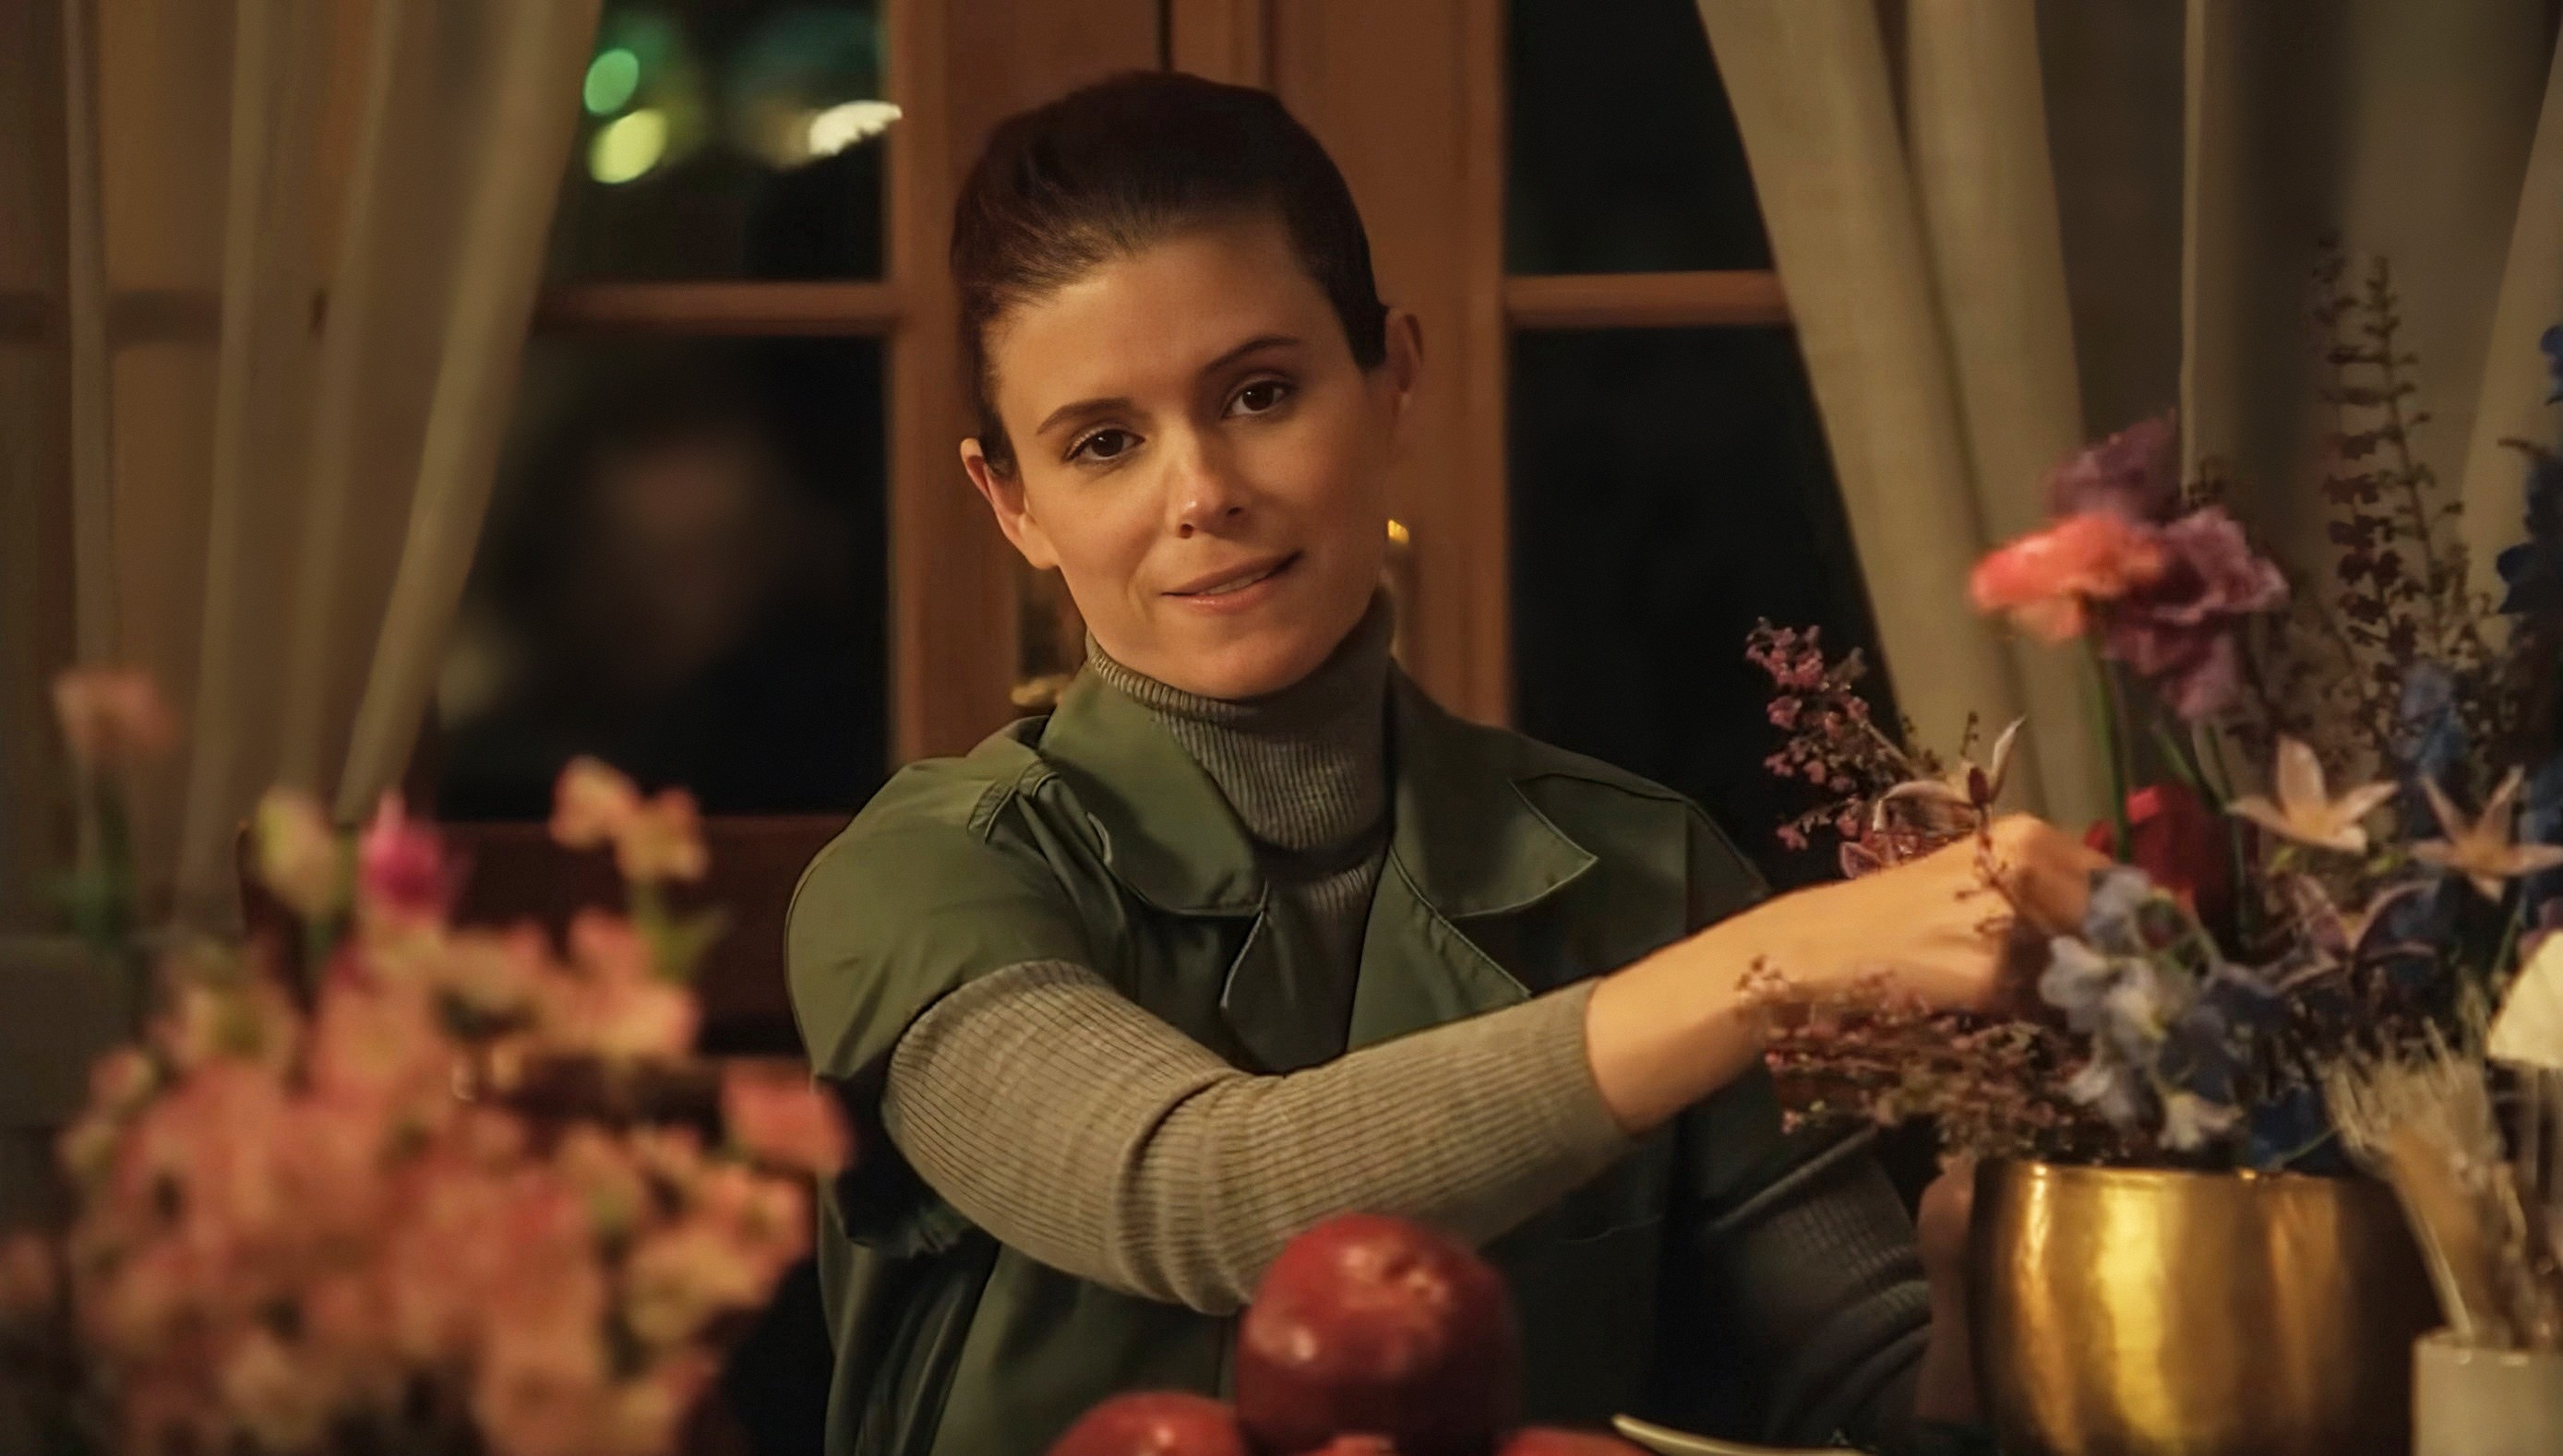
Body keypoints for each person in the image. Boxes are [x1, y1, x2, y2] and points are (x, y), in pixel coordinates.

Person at [786, 71, 2097, 1456]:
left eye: (1260, 391)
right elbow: (1197, 1191)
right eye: (1103, 442)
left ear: (1392, 376)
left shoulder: (1646, 872)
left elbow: (1867, 1393)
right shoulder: (924, 876)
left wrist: (1975, 1280)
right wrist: (1774, 966)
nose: (1201, 492)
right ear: (1013, 504)